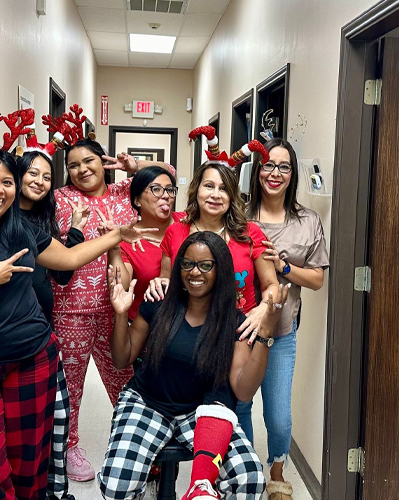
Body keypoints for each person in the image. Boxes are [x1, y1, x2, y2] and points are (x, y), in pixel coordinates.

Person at [0, 142, 159, 499]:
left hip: (32, 360)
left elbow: (68, 259)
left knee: (31, 468)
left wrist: (116, 236)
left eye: (6, 182)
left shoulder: (22, 228)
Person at [98, 231, 289, 500]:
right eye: (187, 264)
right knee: (116, 485)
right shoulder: (159, 303)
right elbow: (121, 359)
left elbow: (243, 391)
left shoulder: (234, 322)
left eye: (205, 265)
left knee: (248, 478)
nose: (194, 272)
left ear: (220, 270)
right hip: (148, 403)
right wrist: (120, 314)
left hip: (202, 413)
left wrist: (265, 333)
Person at [52, 110, 175, 481]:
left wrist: (135, 166)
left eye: (88, 161)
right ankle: (69, 448)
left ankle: (136, 445)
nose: (82, 170)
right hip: (71, 310)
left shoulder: (125, 192)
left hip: (116, 309)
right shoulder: (60, 199)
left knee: (124, 382)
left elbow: (167, 174)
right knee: (70, 386)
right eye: (73, 165)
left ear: (102, 162)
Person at [235, 138, 329, 500]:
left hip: (282, 332)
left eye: (284, 166)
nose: (275, 173)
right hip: (240, 331)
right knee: (240, 405)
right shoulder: (238, 216)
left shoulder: (307, 221)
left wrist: (284, 267)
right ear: (257, 170)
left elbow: (317, 280)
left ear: (292, 174)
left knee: (277, 415)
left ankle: (276, 472)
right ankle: (245, 469)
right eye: (268, 165)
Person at [145, 134, 278, 338]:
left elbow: (271, 285)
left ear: (231, 196)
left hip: (238, 332)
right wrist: (158, 283)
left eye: (224, 189)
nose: (215, 195)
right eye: (209, 186)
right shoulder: (175, 232)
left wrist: (263, 309)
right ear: (196, 189)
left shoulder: (250, 233)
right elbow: (166, 280)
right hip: (185, 332)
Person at [18, 148, 88, 500]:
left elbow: (62, 274)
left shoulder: (43, 221)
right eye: (32, 173)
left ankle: (55, 491)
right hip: (15, 337)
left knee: (55, 418)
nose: (40, 181)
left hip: (43, 333)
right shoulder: (4, 219)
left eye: (47, 177)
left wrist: (75, 229)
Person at [107, 166, 185, 325]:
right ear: (137, 200)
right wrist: (113, 244)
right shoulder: (127, 239)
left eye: (170, 190)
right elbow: (123, 286)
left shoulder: (187, 221)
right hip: (146, 323)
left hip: (189, 320)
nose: (166, 196)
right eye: (156, 189)